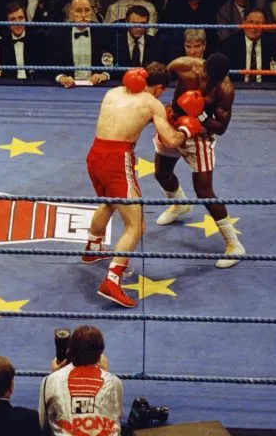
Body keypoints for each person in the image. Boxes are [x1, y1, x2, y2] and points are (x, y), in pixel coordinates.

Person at [82, 62, 201, 308]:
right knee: (136, 225)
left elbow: (127, 118)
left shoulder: (113, 92)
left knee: (110, 202)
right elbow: (171, 140)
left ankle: (92, 248)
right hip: (117, 160)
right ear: (159, 88)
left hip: (94, 155)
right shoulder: (151, 103)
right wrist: (187, 129)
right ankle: (112, 281)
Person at [153, 53, 245, 269]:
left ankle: (234, 245)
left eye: (213, 81)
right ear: (202, 68)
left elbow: (221, 128)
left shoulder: (225, 90)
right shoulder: (184, 66)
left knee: (204, 191)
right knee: (161, 173)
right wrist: (156, 102)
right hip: (174, 125)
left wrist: (200, 114)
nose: (207, 83)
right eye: (205, 77)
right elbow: (159, 77)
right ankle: (179, 205)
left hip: (199, 137)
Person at [40, 325, 122, 436]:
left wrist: (54, 376)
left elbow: (43, 424)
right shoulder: (114, 382)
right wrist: (106, 373)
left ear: (70, 351)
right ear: (100, 355)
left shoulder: (51, 381)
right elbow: (114, 417)